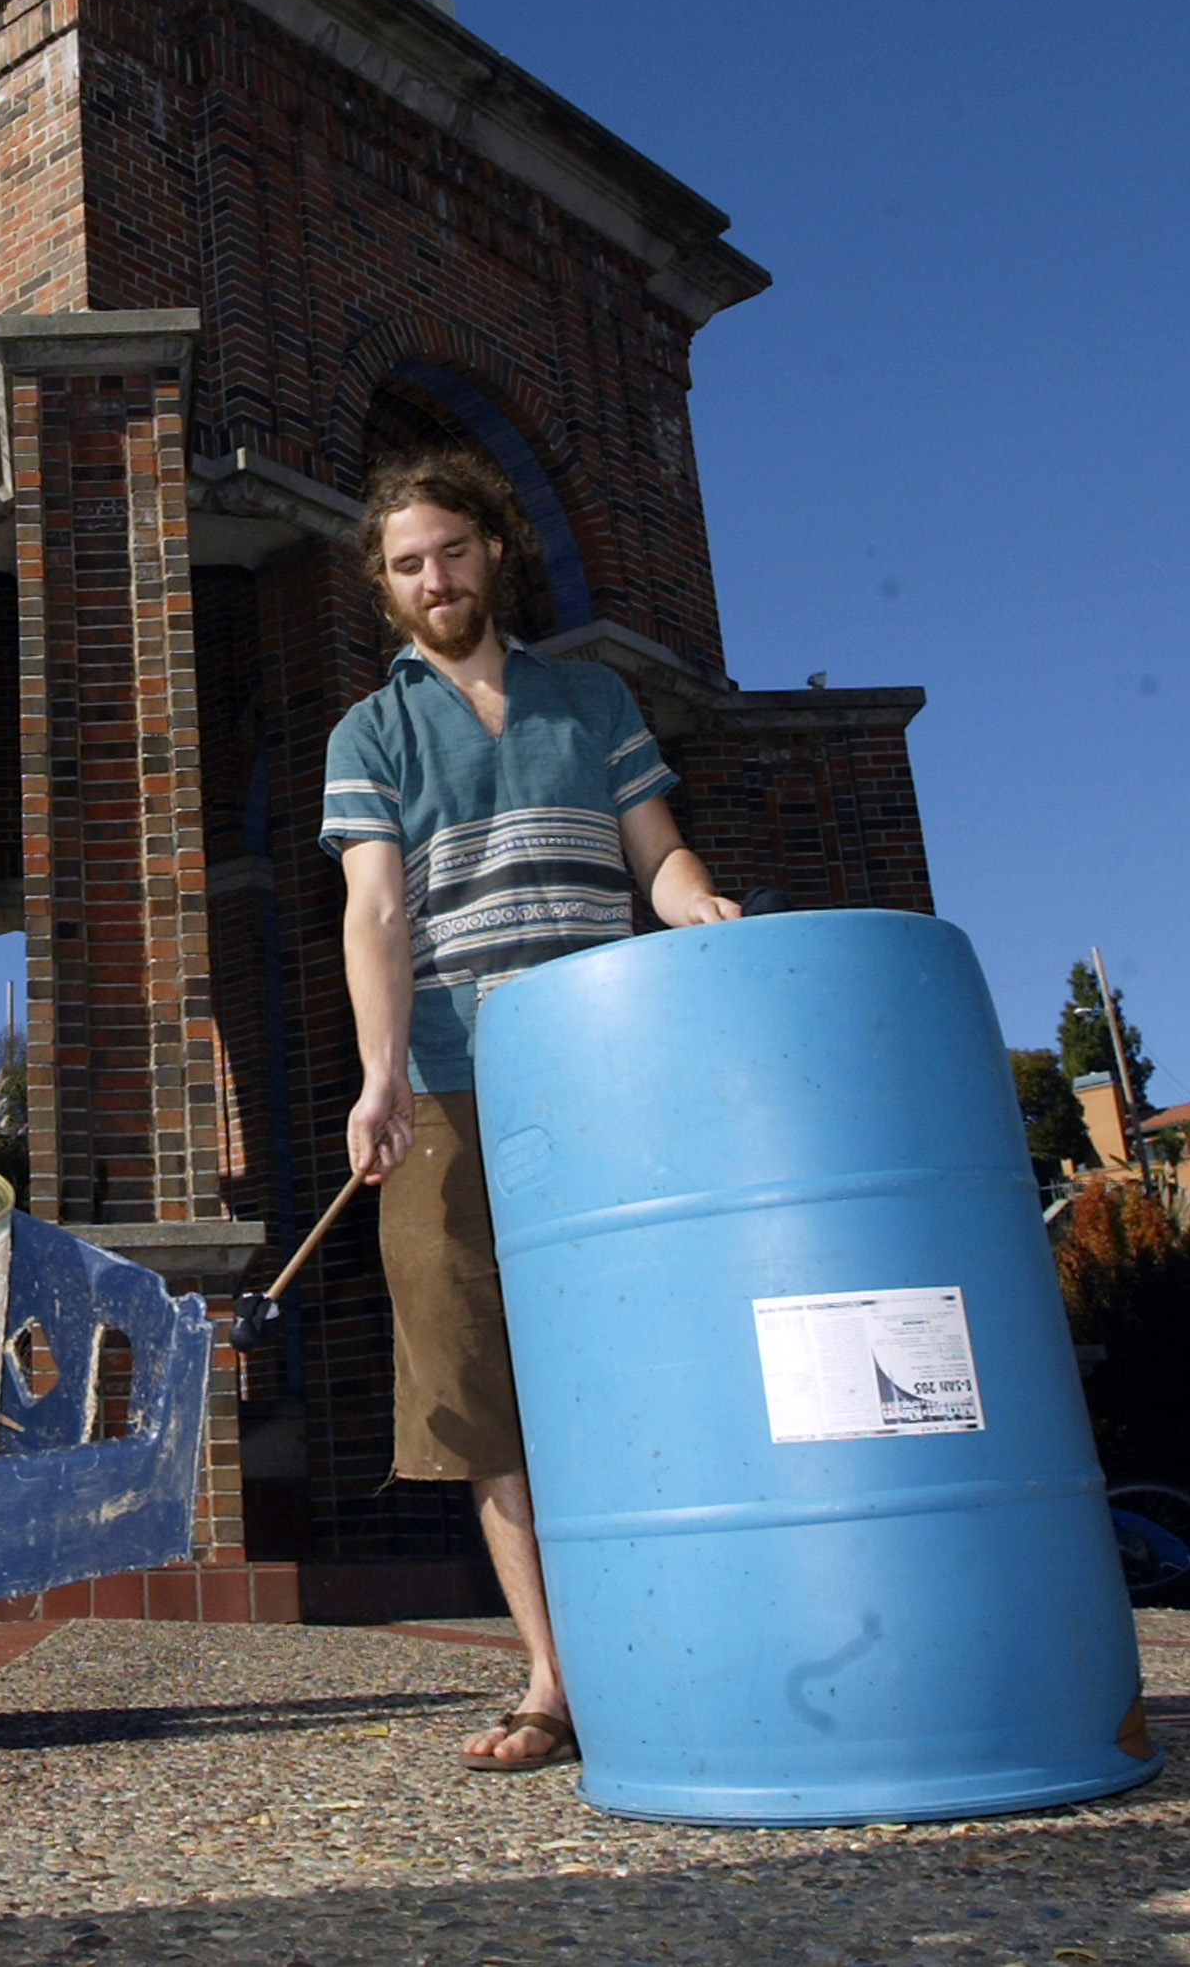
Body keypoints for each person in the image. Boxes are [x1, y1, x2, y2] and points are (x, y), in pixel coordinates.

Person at [320, 448, 738, 1775]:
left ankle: (693, 1638)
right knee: (479, 1383)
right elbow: (376, 910)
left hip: (608, 1071)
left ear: (493, 550)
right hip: (449, 1083)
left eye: (451, 551)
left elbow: (657, 853)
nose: (434, 579)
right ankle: (555, 1680)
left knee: (642, 1348)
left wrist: (698, 906)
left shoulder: (593, 699)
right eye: (407, 565)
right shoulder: (371, 731)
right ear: (385, 588)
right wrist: (382, 1075)